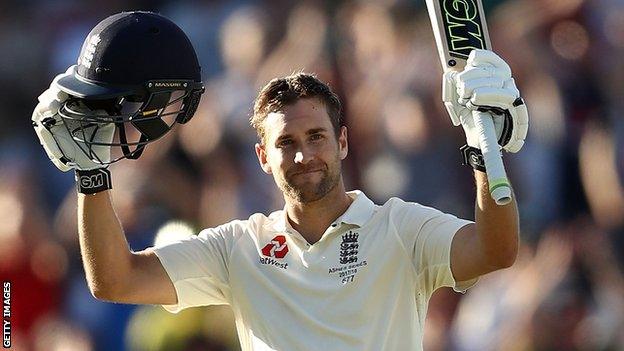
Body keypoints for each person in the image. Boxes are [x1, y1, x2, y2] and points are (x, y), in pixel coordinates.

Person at [32, 11, 529, 351]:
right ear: (263, 158)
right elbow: (116, 280)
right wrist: (91, 175)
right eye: (285, 142)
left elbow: (495, 249)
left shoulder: (399, 227)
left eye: (316, 136)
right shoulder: (240, 247)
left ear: (343, 143)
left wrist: (484, 150)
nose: (304, 153)